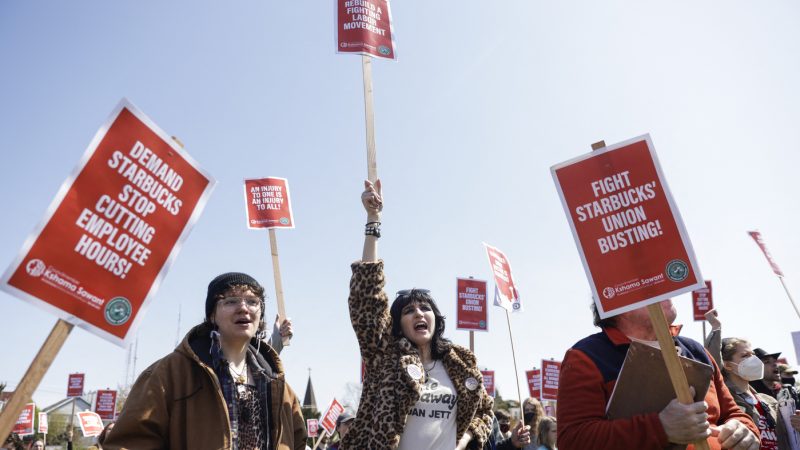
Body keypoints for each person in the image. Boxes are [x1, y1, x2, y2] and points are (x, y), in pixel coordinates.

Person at [342, 179, 498, 450]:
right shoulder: (384, 355)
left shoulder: (460, 365)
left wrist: (463, 441)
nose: (418, 313)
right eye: (409, 310)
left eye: (425, 308)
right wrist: (373, 221)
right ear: (397, 323)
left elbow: (484, 412)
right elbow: (367, 300)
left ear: (436, 319)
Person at [104, 272, 306, 450]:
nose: (243, 308)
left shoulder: (279, 387)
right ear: (212, 315)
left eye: (253, 302)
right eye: (231, 301)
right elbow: (129, 443)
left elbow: (297, 442)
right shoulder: (168, 375)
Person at [557, 300, 760, 449]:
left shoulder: (697, 350)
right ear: (613, 303)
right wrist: (660, 428)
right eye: (644, 282)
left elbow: (734, 414)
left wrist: (745, 430)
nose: (662, 289)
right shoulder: (587, 357)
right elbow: (573, 440)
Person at [720, 337, 785, 449]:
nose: (754, 359)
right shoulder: (725, 399)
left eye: (753, 354)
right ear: (728, 365)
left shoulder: (769, 400)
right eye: (745, 355)